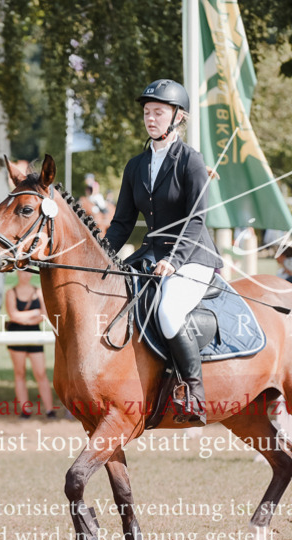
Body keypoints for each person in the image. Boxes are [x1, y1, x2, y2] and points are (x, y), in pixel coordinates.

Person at [105, 78, 224, 426]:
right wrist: (101, 257)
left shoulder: (191, 161)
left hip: (192, 257)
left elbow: (196, 218)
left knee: (169, 311)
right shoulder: (135, 166)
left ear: (178, 117)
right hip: (151, 257)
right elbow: (122, 223)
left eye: (159, 112)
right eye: (147, 112)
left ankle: (193, 393)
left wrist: (174, 261)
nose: (151, 118)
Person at [5, 272, 56, 419]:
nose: (26, 275)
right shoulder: (11, 292)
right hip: (16, 336)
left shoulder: (38, 291)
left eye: (28, 271)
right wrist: (33, 313)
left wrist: (26, 319)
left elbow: (44, 314)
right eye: (22, 271)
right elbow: (13, 315)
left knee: (41, 373)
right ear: (17, 273)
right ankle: (25, 410)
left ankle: (49, 410)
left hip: (35, 334)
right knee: (19, 373)